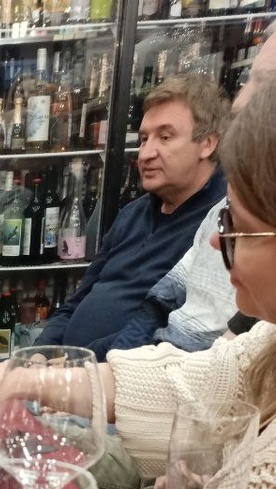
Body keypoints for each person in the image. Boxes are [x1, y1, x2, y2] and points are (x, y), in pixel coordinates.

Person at [0, 73, 276, 489]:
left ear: (208, 143)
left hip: (129, 445)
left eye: (235, 227)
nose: (217, 242)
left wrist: (28, 379)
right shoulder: (262, 344)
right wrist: (14, 373)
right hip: (106, 412)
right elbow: (186, 381)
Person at [104, 29, 276, 359]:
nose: (240, 100)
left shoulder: (223, 207)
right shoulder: (141, 214)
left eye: (263, 84)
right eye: (143, 139)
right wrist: (109, 362)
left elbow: (211, 371)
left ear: (207, 144)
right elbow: (155, 307)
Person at [35, 75, 228, 360]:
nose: (145, 154)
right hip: (70, 371)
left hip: (121, 376)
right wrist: (40, 353)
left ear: (207, 144)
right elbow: (77, 301)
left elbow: (164, 333)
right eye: (144, 139)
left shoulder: (220, 224)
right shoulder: (132, 214)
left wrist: (74, 362)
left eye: (165, 137)